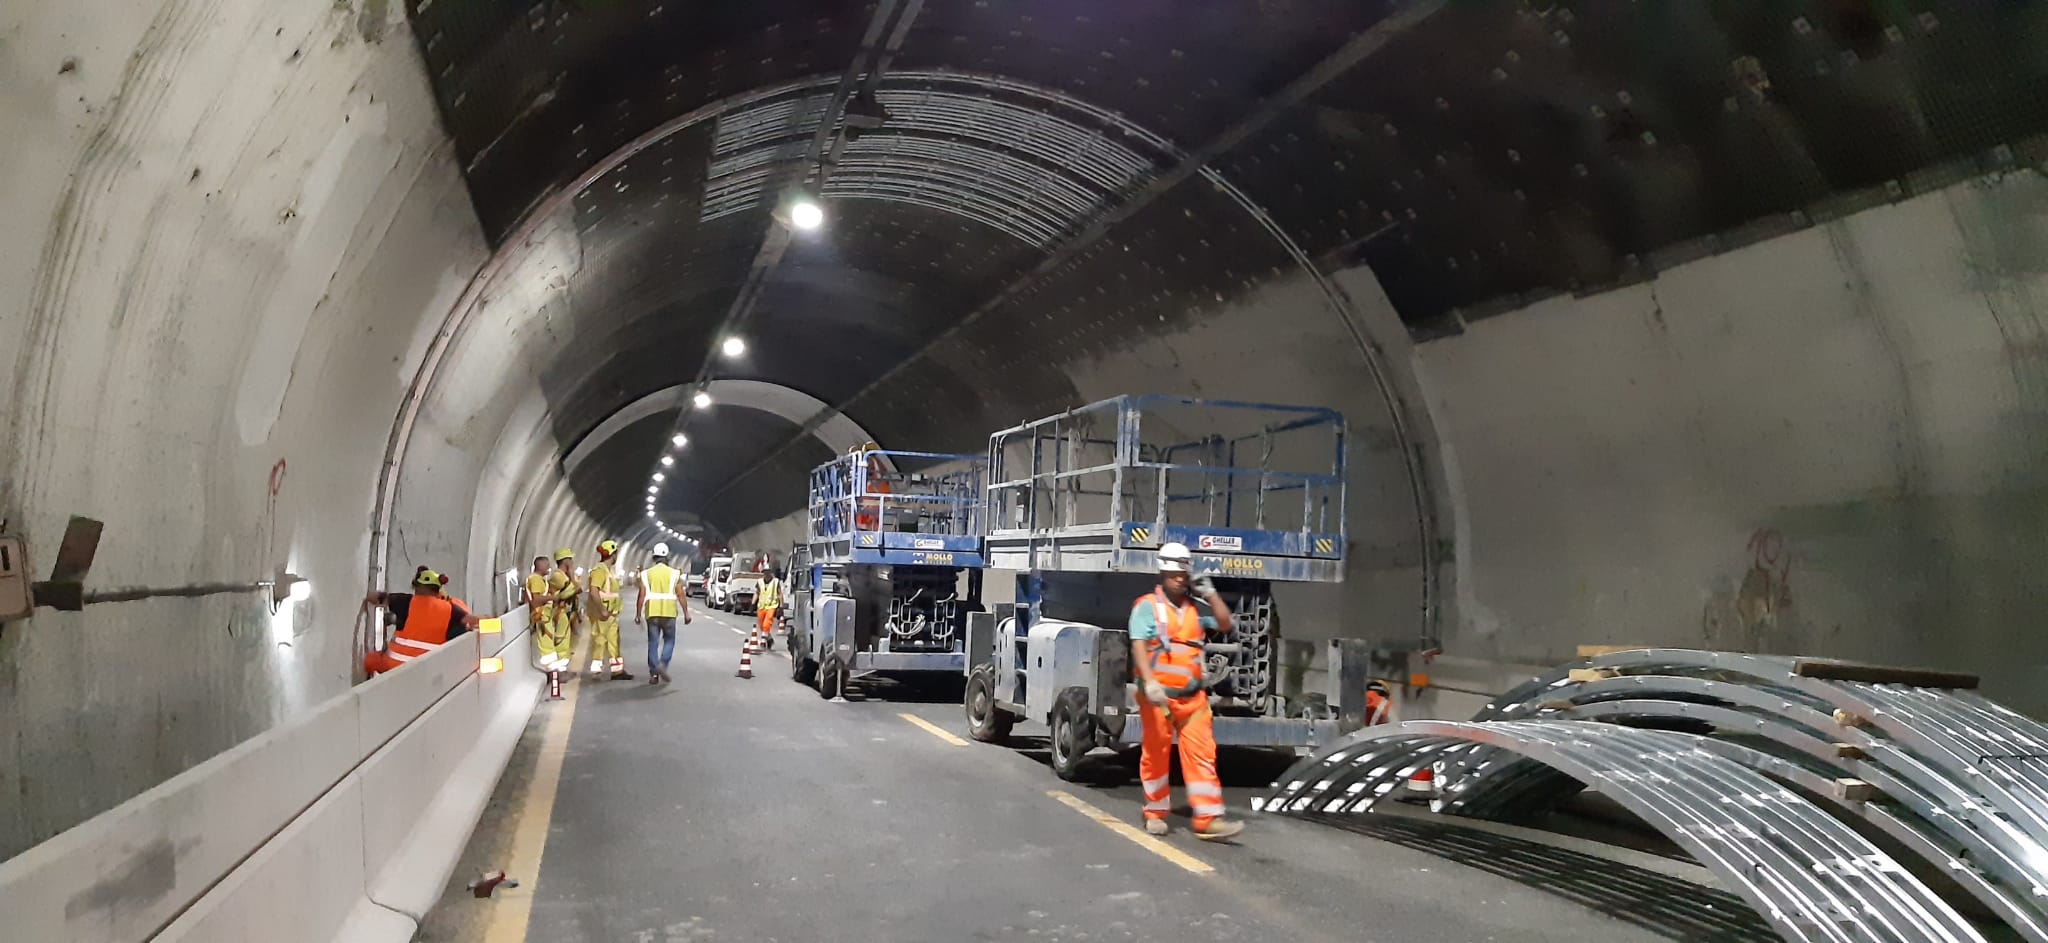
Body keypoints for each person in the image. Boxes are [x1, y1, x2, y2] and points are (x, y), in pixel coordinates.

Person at [1128, 542, 1245, 841]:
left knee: (1203, 755)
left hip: (1193, 699)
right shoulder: (1147, 607)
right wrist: (1150, 683)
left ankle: (1207, 819)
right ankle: (1155, 813)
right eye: (1174, 573)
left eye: (1184, 574)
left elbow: (1225, 623)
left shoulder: (1195, 609)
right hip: (1158, 698)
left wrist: (1211, 593)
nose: (1180, 578)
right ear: (1162, 572)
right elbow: (1139, 644)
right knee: (1156, 754)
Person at [362, 568, 477, 675]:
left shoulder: (405, 601)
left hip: (394, 668)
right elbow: (471, 621)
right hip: (427, 673)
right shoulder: (452, 609)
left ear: (417, 587)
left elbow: (375, 598)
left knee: (370, 660)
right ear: (438, 589)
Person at [637, 542, 692, 684]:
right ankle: (662, 664)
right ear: (667, 557)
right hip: (669, 613)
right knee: (669, 640)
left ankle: (654, 673)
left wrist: (638, 614)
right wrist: (686, 613)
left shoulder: (646, 574)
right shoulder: (674, 574)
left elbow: (642, 595)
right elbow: (680, 594)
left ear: (654, 557)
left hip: (652, 613)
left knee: (653, 643)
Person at [585, 539, 632, 680]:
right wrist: (602, 610)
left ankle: (617, 671)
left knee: (614, 642)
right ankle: (596, 670)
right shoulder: (599, 570)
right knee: (600, 641)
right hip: (603, 614)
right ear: (613, 555)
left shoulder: (609, 571)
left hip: (611, 614)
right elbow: (594, 591)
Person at [524, 554, 571, 688]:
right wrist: (554, 598)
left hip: (545, 616)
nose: (549, 568)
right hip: (541, 617)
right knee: (547, 649)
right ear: (541, 566)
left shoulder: (539, 579)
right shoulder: (536, 579)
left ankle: (557, 673)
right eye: (547, 565)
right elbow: (536, 599)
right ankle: (554, 674)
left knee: (550, 645)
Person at [753, 567, 782, 652]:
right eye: (765, 572)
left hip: (772, 606)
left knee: (767, 623)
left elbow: (780, 594)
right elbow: (757, 593)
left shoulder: (775, 582)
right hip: (761, 606)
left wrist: (781, 607)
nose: (766, 574)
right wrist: (753, 603)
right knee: (762, 626)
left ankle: (763, 642)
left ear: (770, 572)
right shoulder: (760, 582)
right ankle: (769, 639)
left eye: (768, 572)